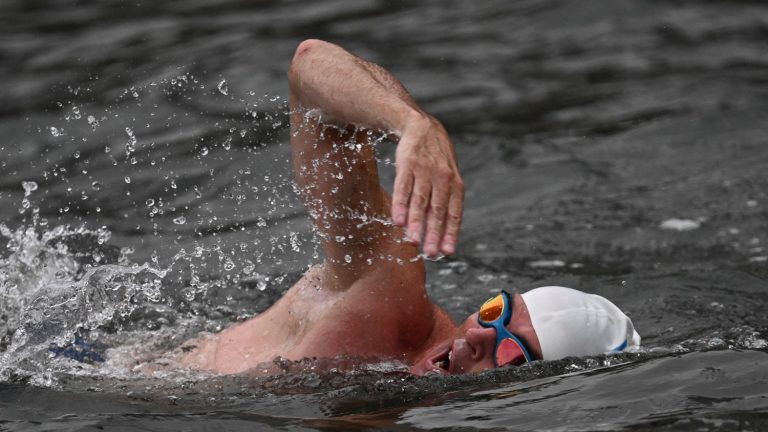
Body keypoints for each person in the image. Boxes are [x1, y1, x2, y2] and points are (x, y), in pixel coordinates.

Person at [175, 39, 640, 375]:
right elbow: (310, 65)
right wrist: (413, 123)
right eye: (496, 311)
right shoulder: (388, 296)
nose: (480, 335)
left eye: (513, 352)